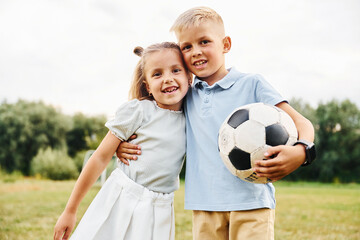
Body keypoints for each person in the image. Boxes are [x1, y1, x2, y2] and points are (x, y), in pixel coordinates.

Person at [117, 6, 315, 240]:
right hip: (204, 206)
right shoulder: (185, 94)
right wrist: (121, 143)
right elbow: (156, 123)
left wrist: (303, 152)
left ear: (226, 45)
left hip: (252, 202)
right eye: (187, 47)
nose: (196, 51)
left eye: (204, 42)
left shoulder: (252, 84)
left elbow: (302, 122)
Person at [53, 41, 192, 240]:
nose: (168, 79)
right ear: (148, 87)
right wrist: (70, 210)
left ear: (189, 77)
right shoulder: (139, 111)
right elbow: (100, 158)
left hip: (161, 209)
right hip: (123, 199)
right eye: (157, 74)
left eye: (176, 70)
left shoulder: (193, 117)